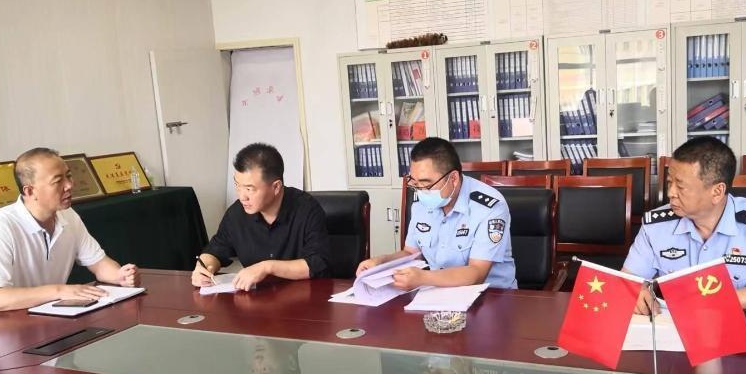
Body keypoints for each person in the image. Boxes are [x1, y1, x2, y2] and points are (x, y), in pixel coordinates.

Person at [624, 137, 746, 315]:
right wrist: (636, 291)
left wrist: (715, 300)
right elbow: (629, 279)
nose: (671, 193)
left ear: (717, 192)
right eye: (670, 182)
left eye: (681, 186)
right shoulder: (656, 225)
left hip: (735, 321)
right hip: (671, 322)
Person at [0, 148, 139, 320]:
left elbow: (98, 263)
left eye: (68, 176)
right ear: (30, 191)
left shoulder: (68, 215)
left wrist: (120, 276)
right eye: (58, 181)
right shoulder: (1, 226)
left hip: (41, 316)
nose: (69, 185)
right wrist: (60, 290)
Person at [356, 137, 517, 290]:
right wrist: (381, 262)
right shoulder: (421, 202)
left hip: (491, 295)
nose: (420, 191)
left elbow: (477, 273)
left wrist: (423, 277)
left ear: (453, 178)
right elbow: (411, 253)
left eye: (426, 184)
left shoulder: (490, 207)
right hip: (437, 293)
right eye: (415, 183)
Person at [192, 143, 330, 290]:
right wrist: (203, 267)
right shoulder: (236, 213)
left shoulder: (307, 209)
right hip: (258, 297)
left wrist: (267, 267)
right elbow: (215, 250)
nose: (242, 196)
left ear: (276, 187)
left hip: (304, 296)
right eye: (237, 185)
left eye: (249, 189)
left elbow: (318, 263)